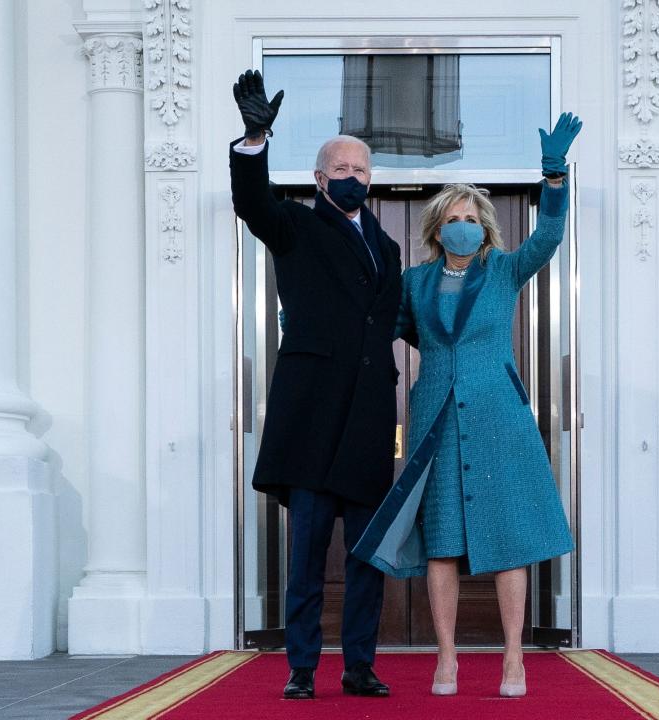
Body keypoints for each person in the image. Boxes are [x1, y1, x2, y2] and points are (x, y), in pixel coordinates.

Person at [353, 112, 582, 698]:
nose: (462, 226)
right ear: (437, 229)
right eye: (452, 219)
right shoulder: (415, 281)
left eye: (470, 218)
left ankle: (512, 659)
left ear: (484, 227)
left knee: (507, 538)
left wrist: (553, 179)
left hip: (498, 419)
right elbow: (396, 328)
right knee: (442, 542)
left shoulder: (504, 270)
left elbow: (549, 238)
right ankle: (447, 659)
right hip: (435, 420)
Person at [230, 69, 401, 700]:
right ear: (320, 178)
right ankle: (302, 669)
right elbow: (252, 202)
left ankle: (359, 665)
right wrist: (255, 140)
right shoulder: (296, 226)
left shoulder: (386, 245)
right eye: (341, 166)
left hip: (365, 426)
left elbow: (393, 319)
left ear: (370, 179)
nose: (353, 174)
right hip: (310, 424)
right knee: (304, 561)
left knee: (366, 560)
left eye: (362, 167)